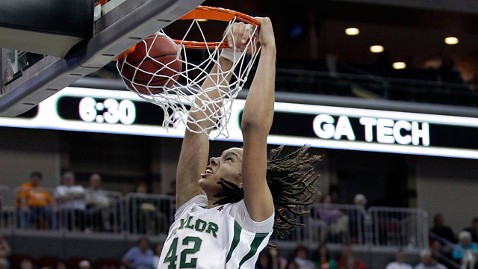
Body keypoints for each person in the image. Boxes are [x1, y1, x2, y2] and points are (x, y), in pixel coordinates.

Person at [157, 18, 321, 269]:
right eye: (225, 157)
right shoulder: (192, 207)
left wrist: (268, 50)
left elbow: (254, 128)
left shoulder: (249, 218)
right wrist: (229, 55)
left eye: (227, 159)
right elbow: (197, 126)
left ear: (246, 178)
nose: (213, 159)